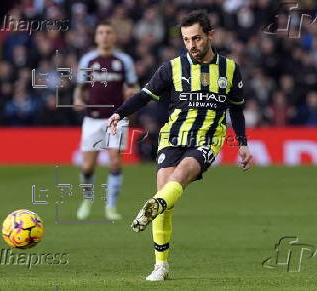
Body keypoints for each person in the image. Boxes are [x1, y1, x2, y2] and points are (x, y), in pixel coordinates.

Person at [108, 12, 253, 281]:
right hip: (173, 136)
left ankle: (153, 205)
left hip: (208, 137)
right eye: (186, 39)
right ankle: (160, 265)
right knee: (167, 198)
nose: (191, 45)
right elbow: (144, 95)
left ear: (210, 35)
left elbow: (237, 110)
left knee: (182, 175)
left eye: (196, 38)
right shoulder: (172, 68)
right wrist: (120, 112)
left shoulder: (230, 69)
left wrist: (242, 144)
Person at [74, 21, 139, 221]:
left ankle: (111, 207)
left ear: (114, 37)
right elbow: (80, 86)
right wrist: (77, 98)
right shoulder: (88, 59)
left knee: (115, 162)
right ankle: (87, 200)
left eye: (108, 32)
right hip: (92, 118)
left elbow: (133, 86)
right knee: (87, 167)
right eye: (100, 32)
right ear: (96, 37)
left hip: (116, 118)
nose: (104, 36)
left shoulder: (124, 60)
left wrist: (132, 93)